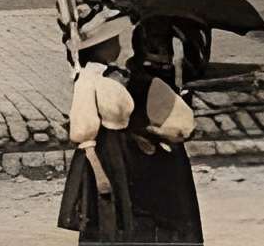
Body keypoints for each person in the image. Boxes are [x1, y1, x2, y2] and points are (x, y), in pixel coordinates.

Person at [56, 20, 205, 241]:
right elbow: (84, 133)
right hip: (105, 153)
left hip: (121, 150)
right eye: (113, 42)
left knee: (131, 213)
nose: (118, 45)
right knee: (110, 217)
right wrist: (100, 176)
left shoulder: (115, 74)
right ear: (101, 48)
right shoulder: (88, 80)